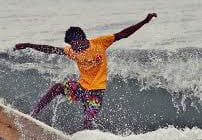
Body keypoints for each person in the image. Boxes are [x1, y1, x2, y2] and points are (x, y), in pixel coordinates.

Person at [14, 13, 157, 129]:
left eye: (73, 44)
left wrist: (144, 21)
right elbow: (51, 49)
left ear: (81, 39)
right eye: (70, 45)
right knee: (57, 87)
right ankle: (32, 114)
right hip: (81, 88)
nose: (72, 48)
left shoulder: (100, 43)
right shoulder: (73, 51)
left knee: (87, 122)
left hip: (96, 92)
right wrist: (29, 45)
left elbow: (124, 34)